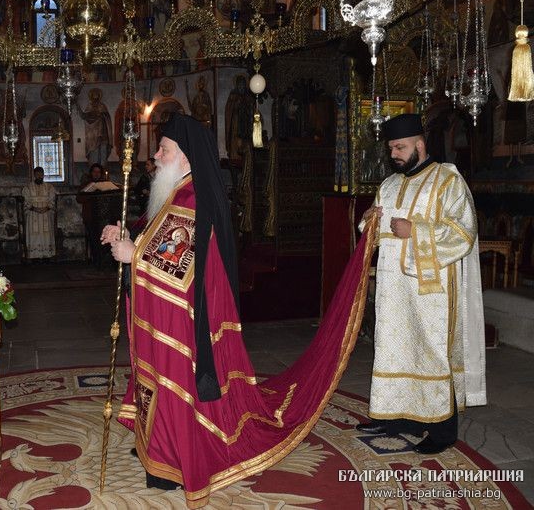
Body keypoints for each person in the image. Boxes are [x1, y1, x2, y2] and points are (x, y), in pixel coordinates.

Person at [100, 114, 379, 507]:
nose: (156, 156)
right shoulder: (174, 194)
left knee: (172, 382)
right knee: (156, 380)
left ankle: (177, 458)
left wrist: (134, 257)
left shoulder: (194, 200)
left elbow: (179, 272)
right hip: (166, 318)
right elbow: (159, 243)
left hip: (184, 321)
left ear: (186, 159)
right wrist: (128, 237)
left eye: (164, 149)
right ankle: (160, 447)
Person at [356, 113, 486, 454]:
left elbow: (464, 233)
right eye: (391, 148)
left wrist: (416, 231)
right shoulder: (389, 185)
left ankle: (441, 431)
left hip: (432, 292)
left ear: (420, 144)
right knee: (393, 350)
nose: (394, 154)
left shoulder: (447, 182)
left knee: (430, 354)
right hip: (393, 288)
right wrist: (368, 222)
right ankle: (396, 417)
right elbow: (372, 232)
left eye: (400, 147)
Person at [21, 167, 57, 261]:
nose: (39, 176)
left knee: (47, 235)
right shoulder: (28, 187)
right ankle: (34, 257)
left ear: (43, 175)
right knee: (34, 235)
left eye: (41, 174)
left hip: (46, 214)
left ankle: (46, 256)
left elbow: (52, 200)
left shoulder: (49, 187)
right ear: (34, 175)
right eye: (37, 174)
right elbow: (26, 201)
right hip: (33, 215)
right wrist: (34, 208)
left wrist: (47, 207)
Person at [79, 88, 113, 165]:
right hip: (93, 134)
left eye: (96, 94)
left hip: (103, 132)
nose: (95, 96)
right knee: (94, 150)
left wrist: (102, 114)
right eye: (94, 94)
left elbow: (107, 117)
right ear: (91, 96)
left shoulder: (102, 106)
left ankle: (103, 167)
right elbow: (85, 116)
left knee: (103, 150)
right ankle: (94, 167)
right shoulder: (89, 106)